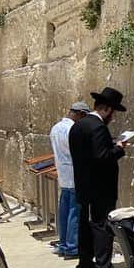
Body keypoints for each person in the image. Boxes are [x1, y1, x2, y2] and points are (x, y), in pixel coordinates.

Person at [69, 87, 128, 268]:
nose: (113, 117)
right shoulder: (98, 127)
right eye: (113, 113)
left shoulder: (79, 125)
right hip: (101, 188)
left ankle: (85, 266)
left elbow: (88, 153)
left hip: (84, 186)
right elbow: (102, 157)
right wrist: (119, 149)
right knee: (103, 226)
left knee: (85, 226)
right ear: (107, 109)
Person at [49, 101, 90, 259]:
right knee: (74, 212)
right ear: (80, 114)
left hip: (63, 175)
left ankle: (64, 243)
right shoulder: (72, 129)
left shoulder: (56, 128)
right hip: (74, 175)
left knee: (64, 211)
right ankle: (72, 247)